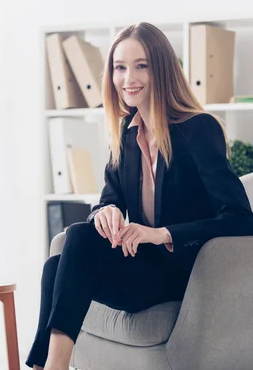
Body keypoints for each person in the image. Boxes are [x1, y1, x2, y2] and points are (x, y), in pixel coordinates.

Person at [26, 22, 253, 370]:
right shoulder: (126, 134)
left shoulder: (198, 129)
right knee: (57, 262)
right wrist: (106, 212)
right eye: (119, 67)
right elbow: (108, 198)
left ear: (160, 68)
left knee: (74, 243)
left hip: (187, 276)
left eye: (141, 65)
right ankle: (45, 366)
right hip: (143, 268)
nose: (128, 77)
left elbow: (240, 218)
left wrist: (163, 234)